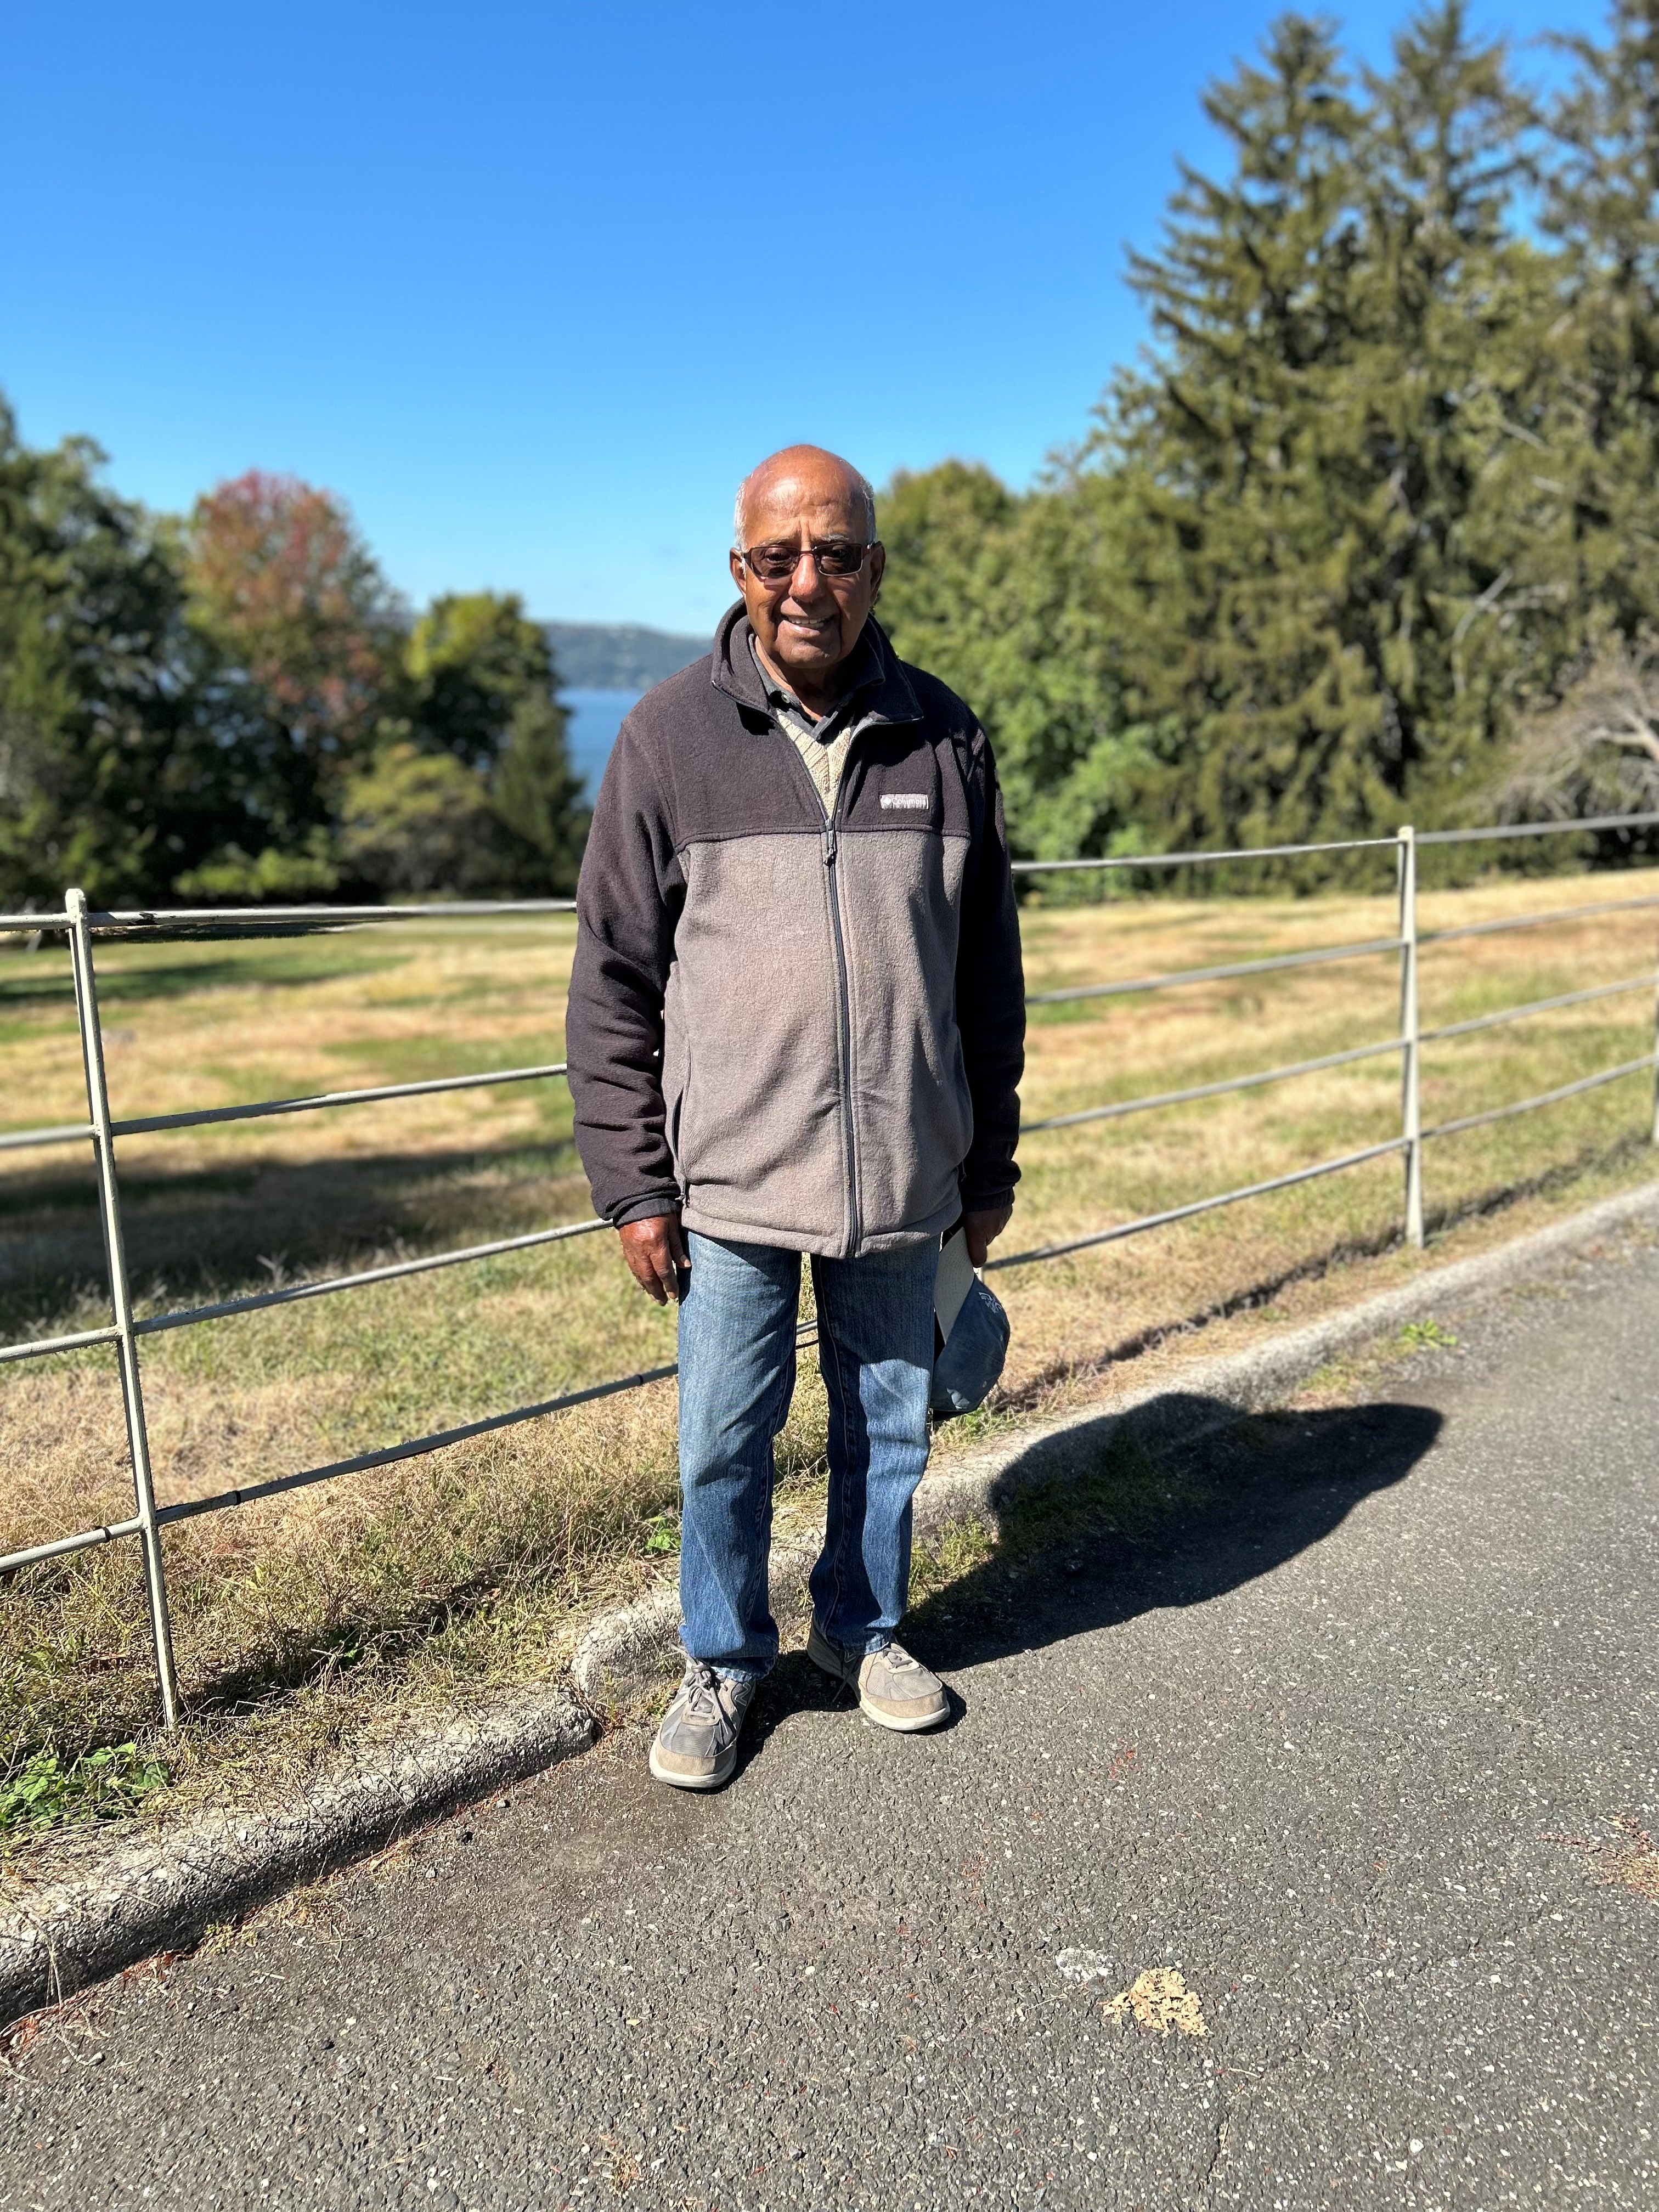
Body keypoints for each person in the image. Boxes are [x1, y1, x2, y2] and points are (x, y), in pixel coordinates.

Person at [566, 444, 1025, 1789]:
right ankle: (722, 1660)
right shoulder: (666, 738)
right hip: (731, 1182)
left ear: (875, 567)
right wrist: (633, 1186)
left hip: (902, 1174)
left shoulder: (948, 739)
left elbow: (985, 974)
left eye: (836, 554)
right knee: (721, 1437)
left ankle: (863, 1627)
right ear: (741, 573)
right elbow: (612, 979)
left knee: (891, 1424)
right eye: (779, 559)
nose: (808, 582)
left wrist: (987, 1158)